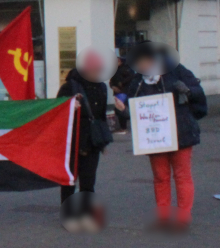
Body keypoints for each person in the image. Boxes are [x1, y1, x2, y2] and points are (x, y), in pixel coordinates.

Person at [126, 44, 206, 232]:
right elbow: (132, 105)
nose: (142, 65)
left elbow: (197, 91)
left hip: (181, 132)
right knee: (160, 176)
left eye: (145, 61)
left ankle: (183, 215)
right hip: (155, 137)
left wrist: (187, 90)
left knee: (182, 174)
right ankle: (162, 214)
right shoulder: (138, 81)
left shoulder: (176, 71)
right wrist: (123, 110)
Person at [57, 51, 109, 233]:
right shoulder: (70, 86)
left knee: (88, 181)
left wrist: (103, 142)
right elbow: (57, 111)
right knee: (69, 180)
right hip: (73, 140)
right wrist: (70, 107)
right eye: (95, 70)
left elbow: (101, 116)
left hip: (92, 140)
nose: (98, 73)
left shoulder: (102, 87)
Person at [109, 58, 134, 134]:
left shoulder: (127, 69)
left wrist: (122, 83)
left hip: (124, 92)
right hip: (117, 92)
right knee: (118, 109)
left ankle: (123, 127)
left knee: (122, 109)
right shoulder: (115, 70)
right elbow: (111, 81)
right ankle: (122, 126)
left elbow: (131, 78)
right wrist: (113, 86)